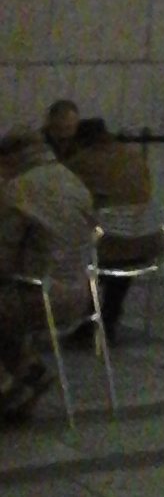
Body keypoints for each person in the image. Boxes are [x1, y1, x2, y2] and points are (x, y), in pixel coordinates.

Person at [0, 129, 97, 417]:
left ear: (9, 159)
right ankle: (30, 372)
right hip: (82, 296)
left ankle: (9, 386)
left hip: (40, 297)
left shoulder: (18, 189)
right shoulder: (73, 181)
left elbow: (3, 258)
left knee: (6, 307)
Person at [58, 119, 154, 342]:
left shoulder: (80, 163)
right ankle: (110, 315)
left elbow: (66, 201)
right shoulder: (134, 157)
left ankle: (88, 319)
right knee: (121, 249)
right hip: (144, 242)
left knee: (78, 249)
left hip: (104, 247)